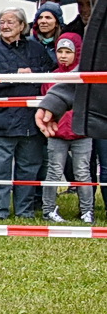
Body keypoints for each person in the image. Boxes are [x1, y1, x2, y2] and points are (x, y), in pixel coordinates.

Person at [0, 7, 48, 219]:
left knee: (28, 170)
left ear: (22, 26)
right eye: (2, 22)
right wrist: (13, 75)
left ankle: (25, 212)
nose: (5, 26)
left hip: (30, 122)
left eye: (11, 22)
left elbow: (49, 78)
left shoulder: (36, 50)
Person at [38, 33, 92, 223]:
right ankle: (48, 210)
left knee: (83, 172)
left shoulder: (86, 77)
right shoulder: (51, 78)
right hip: (57, 133)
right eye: (60, 51)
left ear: (77, 53)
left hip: (82, 133)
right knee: (53, 171)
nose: (63, 56)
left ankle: (87, 211)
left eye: (68, 52)